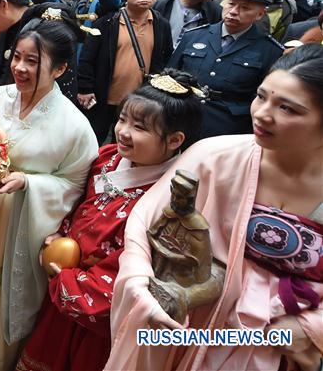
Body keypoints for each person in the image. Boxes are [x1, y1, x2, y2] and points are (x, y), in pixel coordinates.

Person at [106, 44, 323, 371]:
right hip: (188, 329)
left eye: (288, 109)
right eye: (261, 96)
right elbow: (142, 224)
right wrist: (139, 285)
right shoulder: (212, 157)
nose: (262, 113)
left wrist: (309, 328)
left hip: (280, 346)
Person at [16, 70, 203, 371]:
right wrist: (61, 236)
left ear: (174, 140)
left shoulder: (169, 203)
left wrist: (66, 280)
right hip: (65, 276)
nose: (123, 131)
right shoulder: (108, 157)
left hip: (95, 304)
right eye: (122, 119)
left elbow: (132, 274)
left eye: (139, 127)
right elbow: (79, 205)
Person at [0, 15, 99, 371]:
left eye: (32, 61)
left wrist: (29, 182)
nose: (19, 67)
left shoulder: (75, 126)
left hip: (24, 218)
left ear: (60, 68)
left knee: (7, 286)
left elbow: (74, 185)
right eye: (16, 56)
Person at [169, 0, 284, 139]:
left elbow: (265, 98)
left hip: (229, 126)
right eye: (231, 4)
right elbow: (169, 76)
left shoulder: (269, 50)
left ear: (259, 14)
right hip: (183, 115)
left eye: (245, 8)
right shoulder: (194, 35)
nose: (234, 11)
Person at [78, 0, 174, 143]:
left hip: (138, 98)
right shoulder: (107, 22)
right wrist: (85, 87)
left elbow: (164, 58)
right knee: (93, 139)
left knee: (127, 142)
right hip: (103, 95)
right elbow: (87, 57)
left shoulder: (161, 24)